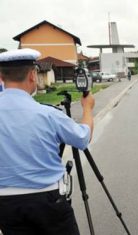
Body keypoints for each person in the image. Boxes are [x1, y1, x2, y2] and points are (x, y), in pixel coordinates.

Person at [0, 48, 95, 235]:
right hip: (48, 200)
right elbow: (82, 138)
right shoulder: (48, 114)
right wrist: (87, 109)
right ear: (33, 75)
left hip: (6, 204)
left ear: (1, 77)